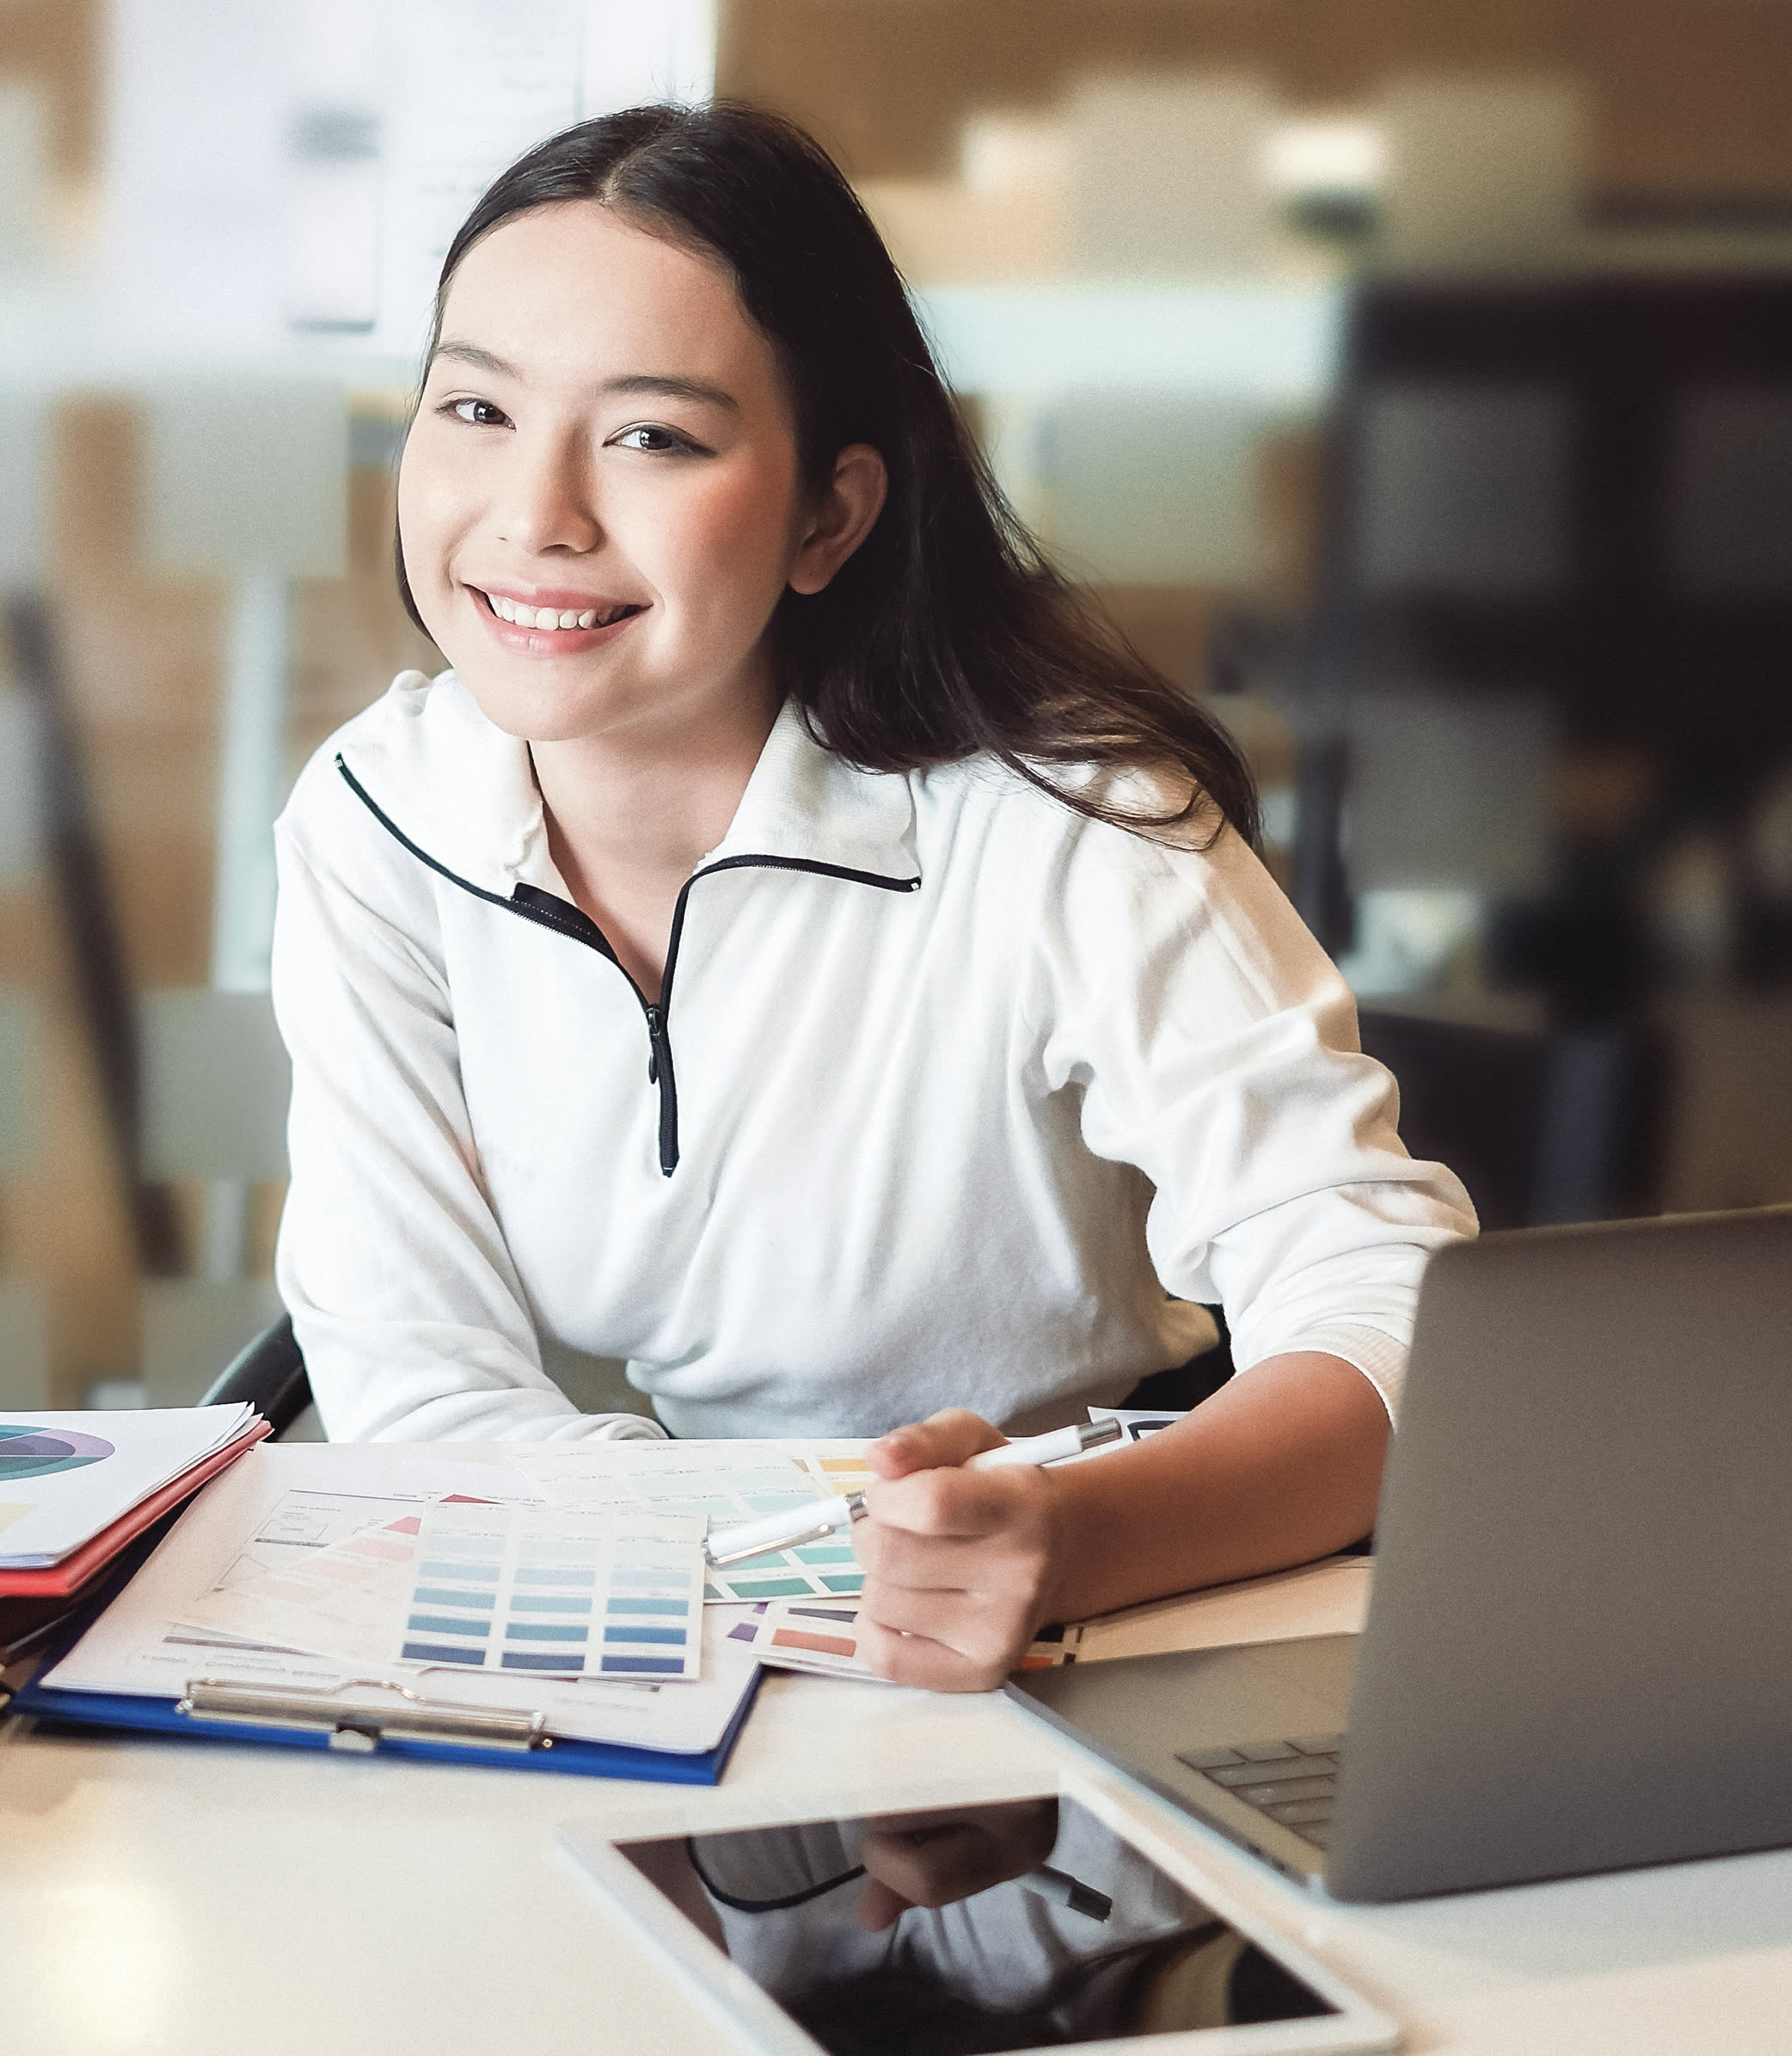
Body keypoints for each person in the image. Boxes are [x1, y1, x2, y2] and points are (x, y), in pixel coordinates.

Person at [265, 103, 1476, 1691]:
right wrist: (768, 1569)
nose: (535, 514)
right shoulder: (377, 819)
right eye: (473, 407)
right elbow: (419, 1386)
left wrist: (1071, 1533)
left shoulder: (1067, 817)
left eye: (652, 436)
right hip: (694, 1636)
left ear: (828, 513)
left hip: (1121, 1629)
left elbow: (1388, 1306)